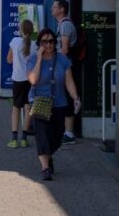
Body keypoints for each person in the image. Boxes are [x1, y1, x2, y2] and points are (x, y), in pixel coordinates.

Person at [27, 28, 81, 181]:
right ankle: (45, 168)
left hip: (59, 103)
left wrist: (75, 97)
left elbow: (69, 81)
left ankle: (48, 156)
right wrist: (39, 59)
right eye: (44, 42)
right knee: (42, 135)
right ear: (39, 44)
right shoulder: (32, 59)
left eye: (51, 41)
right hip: (39, 102)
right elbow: (33, 80)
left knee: (56, 137)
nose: (48, 45)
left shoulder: (62, 60)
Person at [52, 0, 79, 144]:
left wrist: (57, 65)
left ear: (62, 9)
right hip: (64, 65)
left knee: (67, 97)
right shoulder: (61, 25)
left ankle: (69, 133)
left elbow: (64, 49)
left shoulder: (66, 25)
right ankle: (64, 130)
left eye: (54, 7)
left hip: (65, 66)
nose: (52, 9)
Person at [7, 18, 35, 148]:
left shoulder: (15, 42)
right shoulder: (35, 45)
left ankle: (14, 138)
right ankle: (24, 137)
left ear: (21, 30)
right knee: (28, 107)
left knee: (16, 108)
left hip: (17, 78)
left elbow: (9, 60)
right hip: (30, 79)